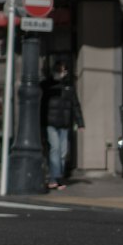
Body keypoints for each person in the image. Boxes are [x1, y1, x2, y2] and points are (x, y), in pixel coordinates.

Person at [41, 59, 83, 190]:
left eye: (64, 71)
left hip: (64, 124)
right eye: (60, 70)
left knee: (63, 152)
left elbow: (75, 105)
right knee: (55, 148)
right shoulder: (47, 85)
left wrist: (80, 122)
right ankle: (55, 178)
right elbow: (42, 104)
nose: (62, 73)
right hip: (50, 123)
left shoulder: (69, 87)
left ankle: (57, 178)